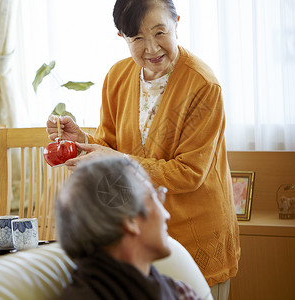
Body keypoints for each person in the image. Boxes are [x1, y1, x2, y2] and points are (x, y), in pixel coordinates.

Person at [47, 1, 240, 298]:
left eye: (160, 32)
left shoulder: (203, 85)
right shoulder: (117, 78)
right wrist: (82, 141)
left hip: (195, 236)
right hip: (138, 241)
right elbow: (111, 148)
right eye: (137, 38)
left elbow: (189, 173)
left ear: (177, 22)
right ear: (122, 38)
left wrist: (118, 159)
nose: (151, 48)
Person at [56, 156, 201, 299]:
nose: (166, 215)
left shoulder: (180, 292)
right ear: (131, 221)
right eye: (155, 197)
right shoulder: (180, 294)